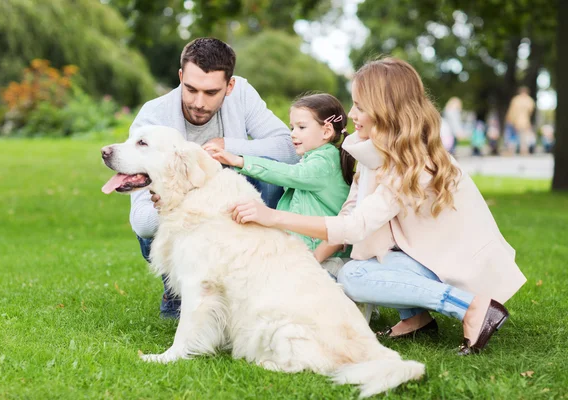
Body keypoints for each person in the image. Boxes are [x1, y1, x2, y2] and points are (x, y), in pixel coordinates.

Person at [228, 58, 527, 355]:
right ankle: (415, 319)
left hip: (454, 261)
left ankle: (472, 308)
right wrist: (311, 259)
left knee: (356, 276)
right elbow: (350, 212)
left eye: (360, 106)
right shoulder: (374, 148)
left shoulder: (413, 161)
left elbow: (357, 227)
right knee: (361, 265)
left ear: (386, 110)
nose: (352, 113)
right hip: (421, 254)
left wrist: (274, 217)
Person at [129, 37, 298, 319]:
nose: (198, 103)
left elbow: (290, 149)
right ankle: (177, 292)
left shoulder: (242, 94)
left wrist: (230, 147)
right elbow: (143, 223)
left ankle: (254, 283)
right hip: (187, 218)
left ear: (229, 86)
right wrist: (177, 197)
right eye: (191, 89)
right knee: (155, 222)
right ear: (180, 76)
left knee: (268, 170)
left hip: (233, 211)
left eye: (210, 93)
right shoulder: (153, 118)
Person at [207, 93, 355, 267]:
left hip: (325, 259)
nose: (293, 134)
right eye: (292, 127)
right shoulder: (315, 158)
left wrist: (240, 160)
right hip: (306, 252)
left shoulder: (325, 161)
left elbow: (289, 173)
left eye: (301, 127)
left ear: (326, 131)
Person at [505, 86, 536, 155]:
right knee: (522, 136)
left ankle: (512, 150)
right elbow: (531, 111)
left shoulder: (516, 100)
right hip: (524, 120)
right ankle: (523, 150)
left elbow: (511, 111)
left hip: (517, 120)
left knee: (514, 136)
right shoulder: (529, 100)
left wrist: (510, 119)